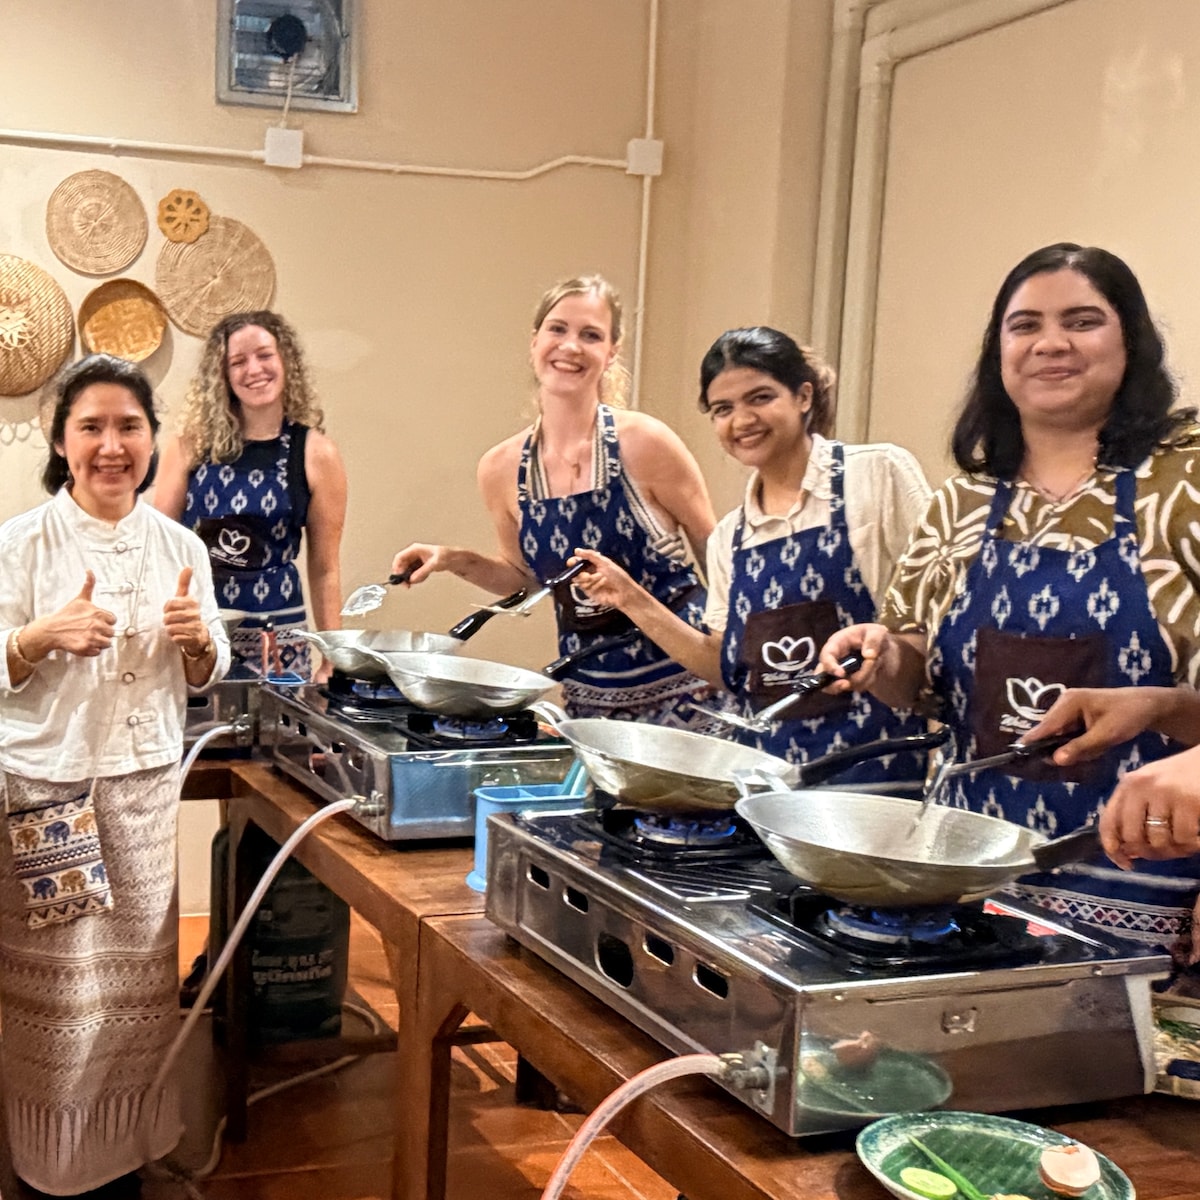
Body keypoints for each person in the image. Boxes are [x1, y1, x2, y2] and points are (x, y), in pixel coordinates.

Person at [819, 242, 1200, 959]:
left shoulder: (1183, 480)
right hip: (975, 886)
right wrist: (879, 654)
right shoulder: (961, 501)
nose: (1051, 343)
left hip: (1156, 897)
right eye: (1025, 325)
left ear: (1132, 340)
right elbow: (924, 681)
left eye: (1082, 321)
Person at [0, 355, 230, 1195]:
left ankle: (125, 1155)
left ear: (152, 441)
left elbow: (209, 664)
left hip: (138, 799)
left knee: (136, 992)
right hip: (49, 798)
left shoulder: (180, 546)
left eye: (128, 426)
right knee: (63, 1002)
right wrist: (34, 640)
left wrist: (198, 642)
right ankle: (51, 1166)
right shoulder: (20, 543)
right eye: (91, 426)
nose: (111, 445)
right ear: (62, 442)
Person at [571, 327, 932, 779]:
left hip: (875, 773)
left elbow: (942, 615)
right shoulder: (729, 538)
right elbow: (727, 669)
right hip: (769, 781)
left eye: (760, 398)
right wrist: (630, 598)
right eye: (723, 409)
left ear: (804, 396)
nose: (742, 421)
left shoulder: (877, 475)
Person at [391, 275, 719, 725]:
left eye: (591, 335)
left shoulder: (645, 443)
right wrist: (449, 559)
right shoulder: (501, 468)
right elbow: (524, 580)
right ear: (534, 341)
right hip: (592, 701)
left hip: (691, 695)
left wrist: (734, 664)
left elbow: (719, 559)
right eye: (558, 329)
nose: (571, 346)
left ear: (612, 352)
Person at [154, 310, 348, 678]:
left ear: (285, 359)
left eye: (264, 355)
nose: (253, 369)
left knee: (277, 734)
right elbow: (160, 550)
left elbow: (325, 568)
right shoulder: (187, 448)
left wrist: (332, 655)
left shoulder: (318, 454)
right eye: (237, 362)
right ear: (223, 376)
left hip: (278, 634)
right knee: (202, 735)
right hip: (201, 632)